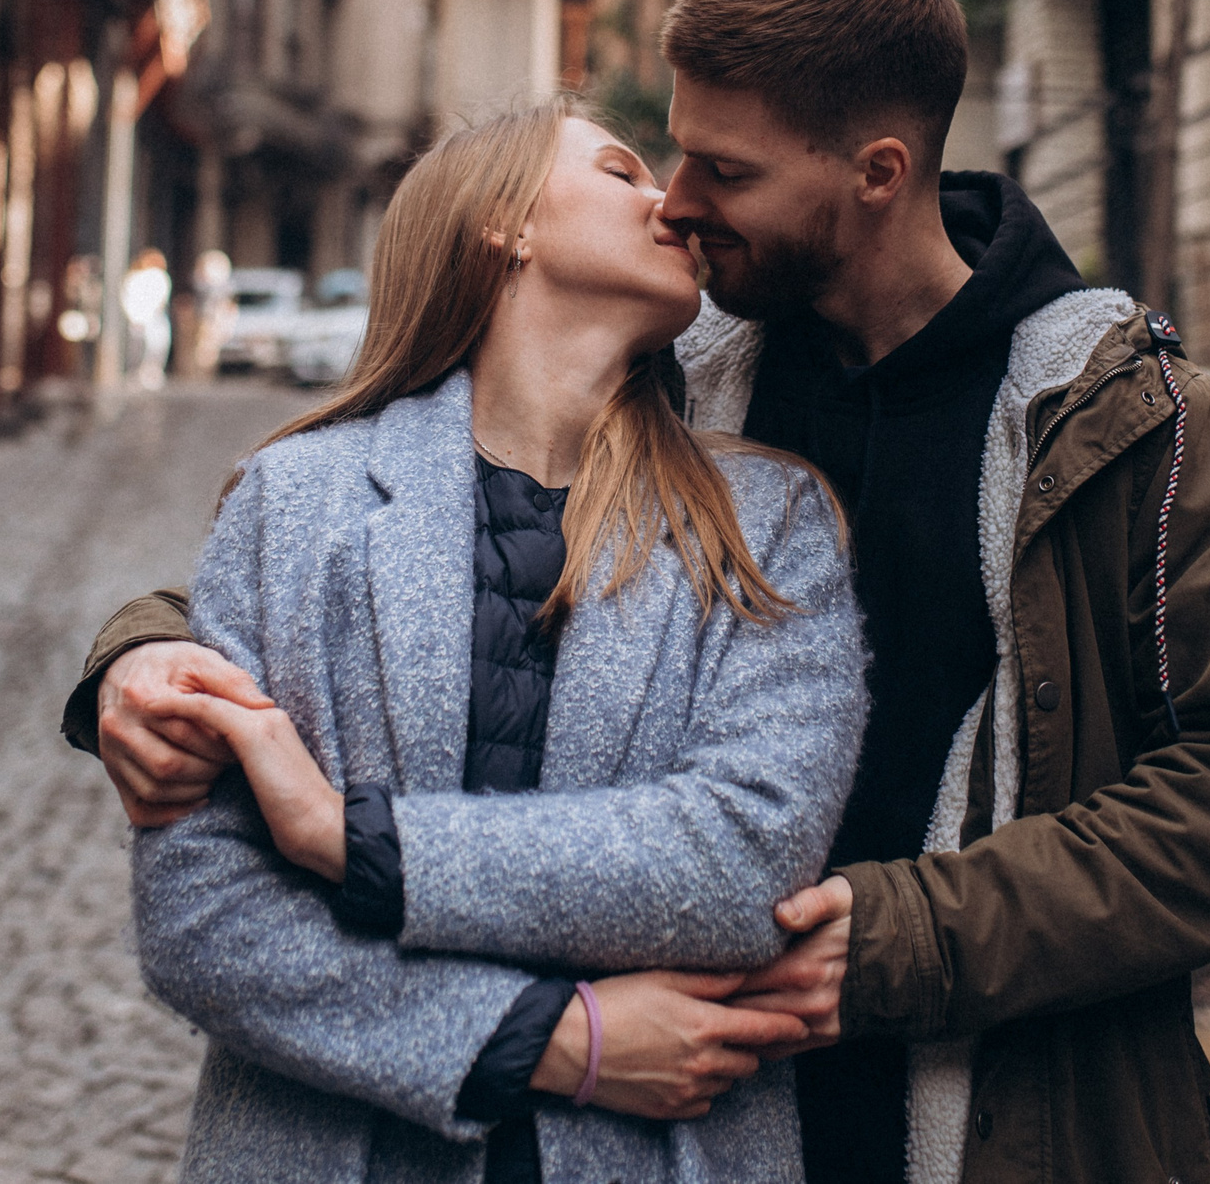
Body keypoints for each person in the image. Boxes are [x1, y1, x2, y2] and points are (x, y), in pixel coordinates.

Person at [67, 0, 1210, 1184]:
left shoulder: (1124, 415)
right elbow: (389, 535)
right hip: (700, 1105)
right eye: (664, 157)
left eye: (723, 173)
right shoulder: (676, 366)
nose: (681, 205)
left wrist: (913, 933)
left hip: (997, 1107)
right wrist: (148, 651)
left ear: (877, 172)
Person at [122, 104, 869, 1184]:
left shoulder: (770, 522)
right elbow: (203, 917)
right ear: (505, 224)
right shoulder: (297, 502)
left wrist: (353, 841)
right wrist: (550, 1042)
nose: (670, 200)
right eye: (620, 170)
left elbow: (742, 861)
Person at [121, 248, 173, 390]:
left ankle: (152, 373)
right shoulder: (134, 277)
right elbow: (128, 299)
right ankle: (136, 373)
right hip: (138, 319)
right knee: (137, 348)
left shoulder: (160, 276)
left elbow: (161, 300)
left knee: (157, 346)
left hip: (154, 318)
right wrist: (135, 316)